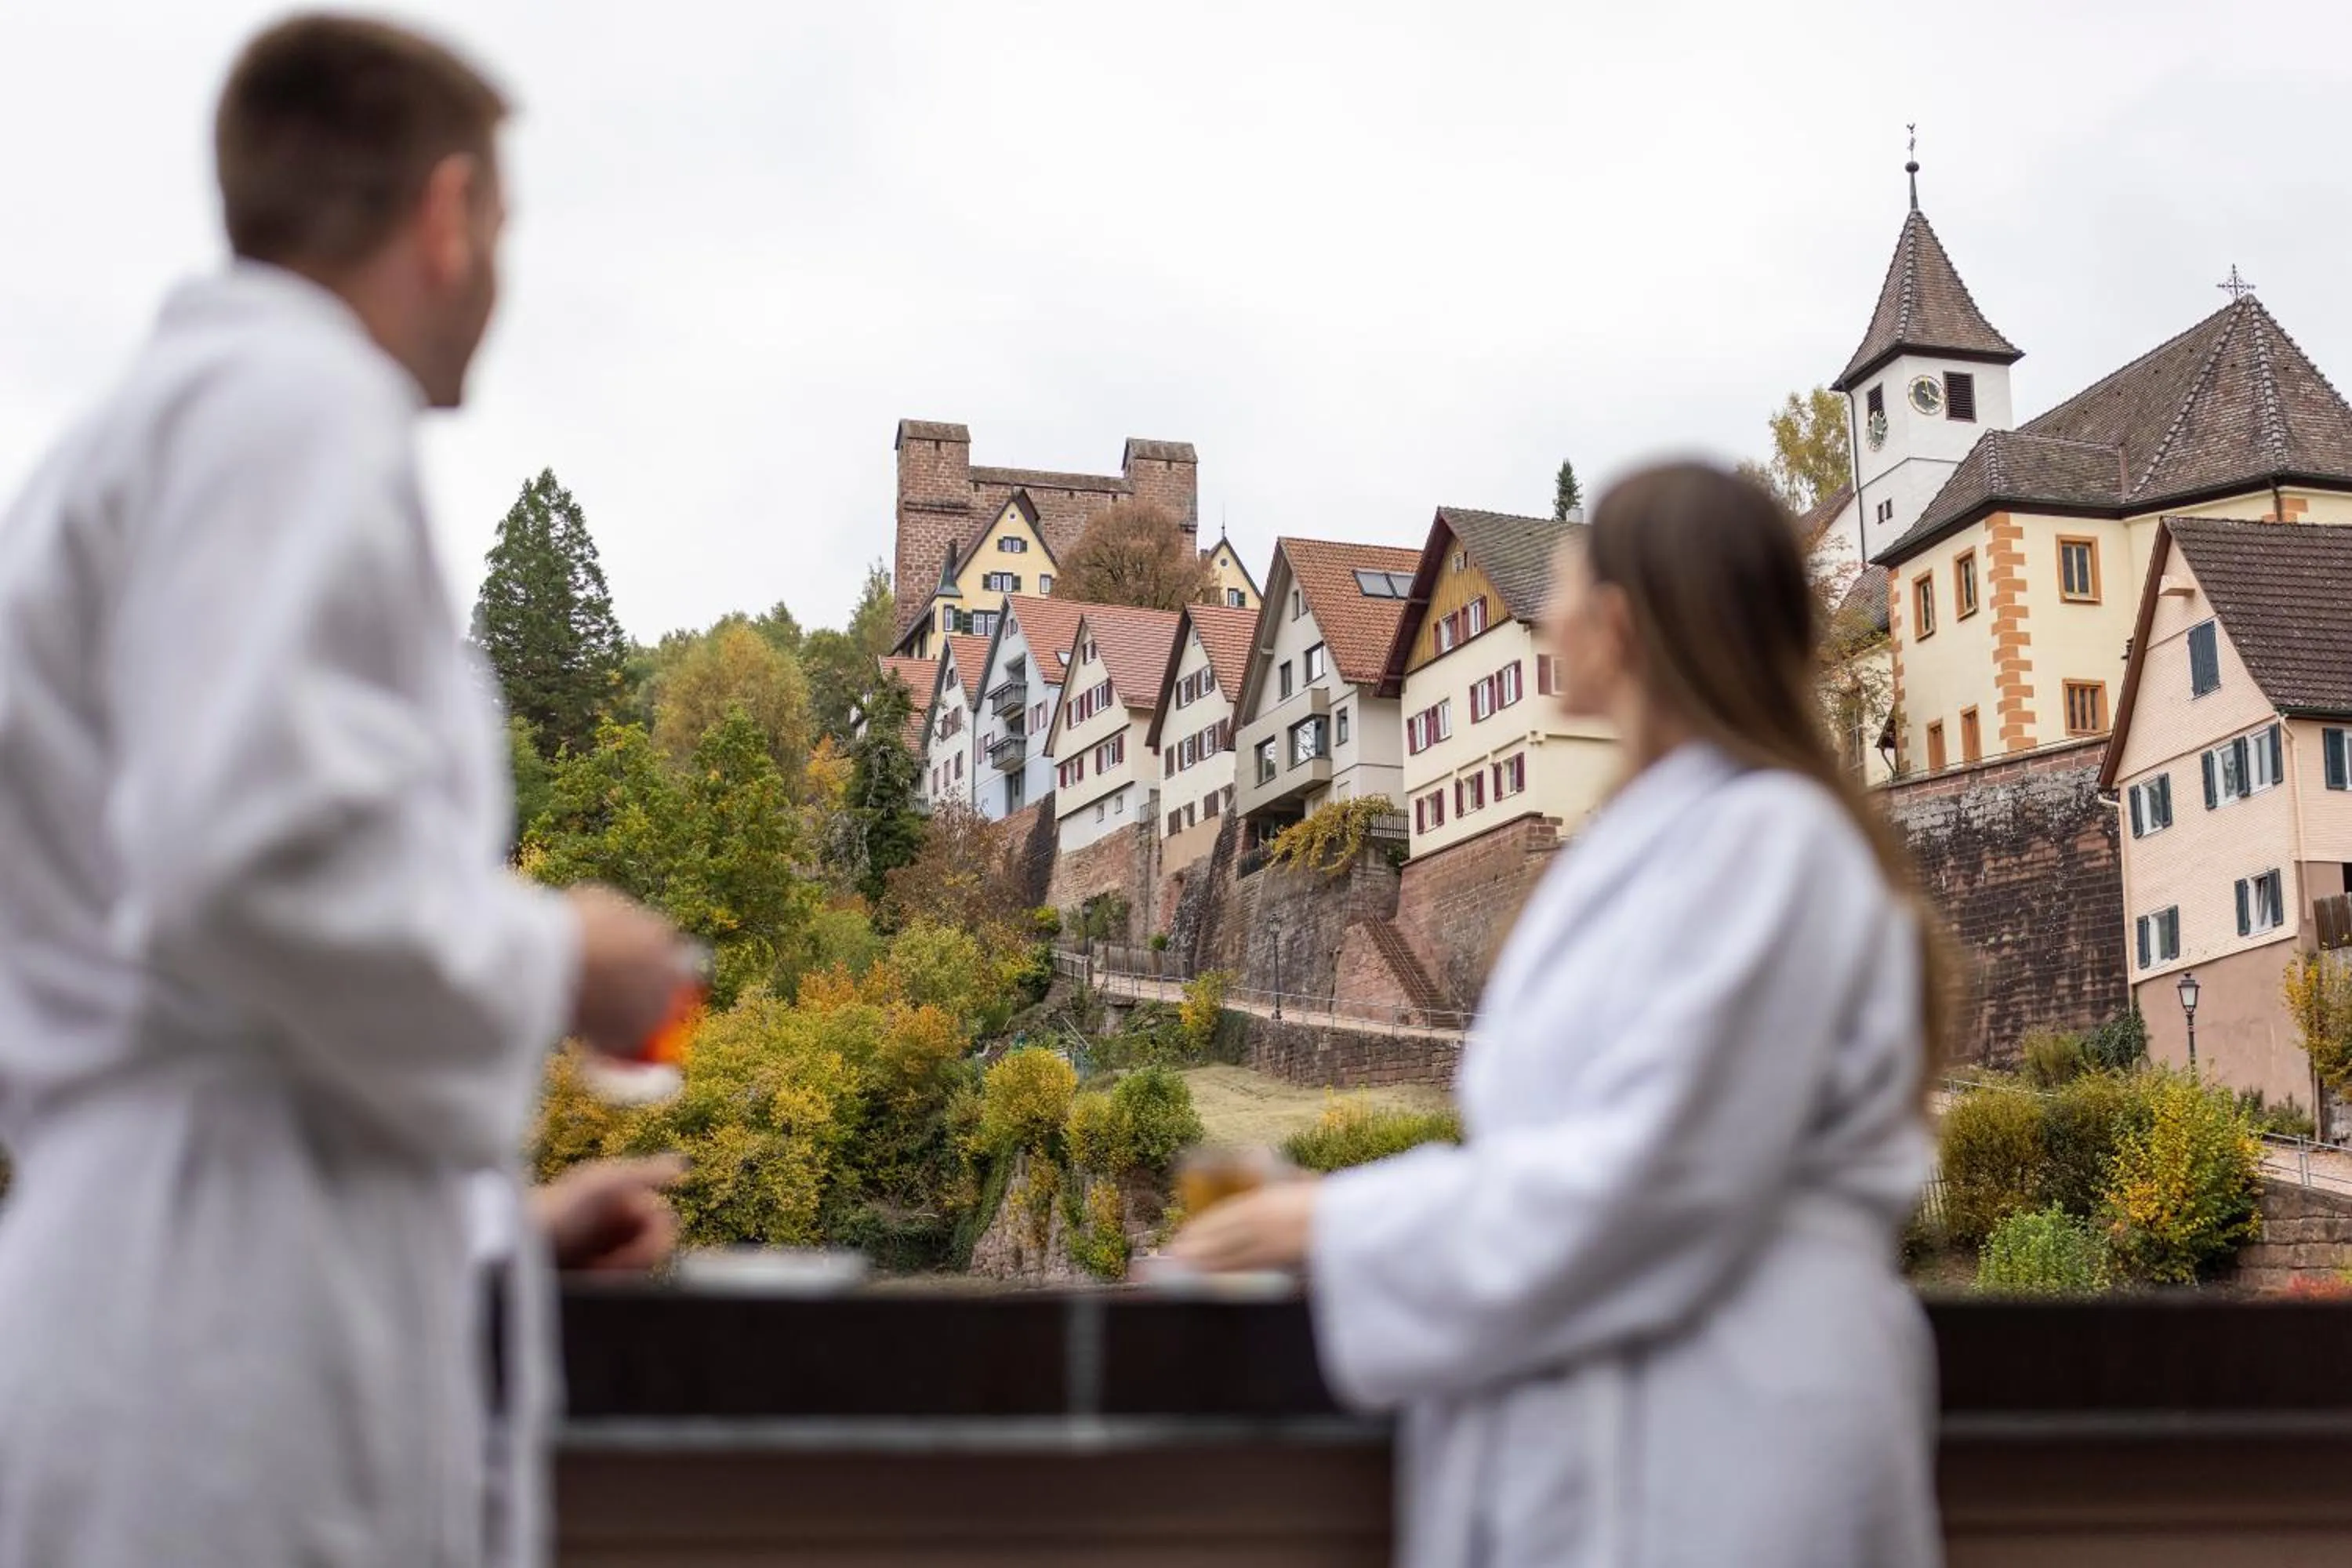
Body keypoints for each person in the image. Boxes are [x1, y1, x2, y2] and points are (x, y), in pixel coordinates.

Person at [0, 16, 693, 1566]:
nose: (502, 288)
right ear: (447, 215)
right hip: (231, 1376)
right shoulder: (292, 407)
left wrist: (486, 1231)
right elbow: (243, 859)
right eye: (504, 234)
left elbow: (199, 995)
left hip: (171, 1299)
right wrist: (565, 957)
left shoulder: (128, 447)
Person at [1171, 461, 1944, 1566]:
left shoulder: (1773, 847)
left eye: (1570, 581)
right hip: (1636, 1435)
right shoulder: (1654, 846)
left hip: (1735, 1450)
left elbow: (1659, 1176)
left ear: (1622, 623)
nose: (1550, 610)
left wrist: (1334, 1229)